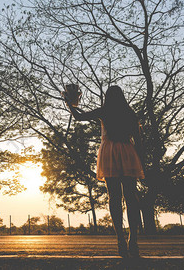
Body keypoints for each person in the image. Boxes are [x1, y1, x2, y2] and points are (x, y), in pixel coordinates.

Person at [63, 85, 144, 258]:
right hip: (128, 152)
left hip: (109, 153)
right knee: (131, 196)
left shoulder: (104, 111)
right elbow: (138, 140)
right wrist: (141, 161)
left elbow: (78, 117)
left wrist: (70, 103)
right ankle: (133, 241)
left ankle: (120, 240)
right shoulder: (130, 114)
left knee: (114, 197)